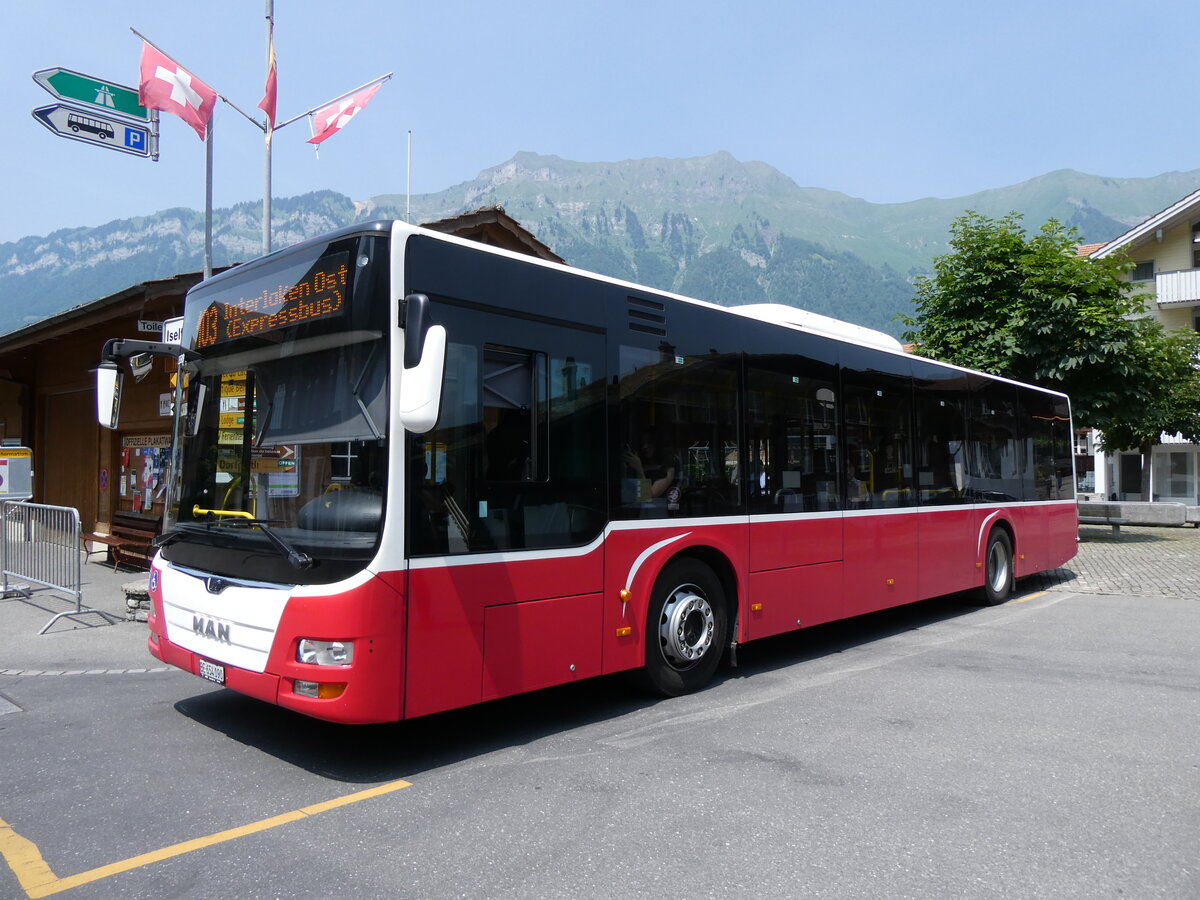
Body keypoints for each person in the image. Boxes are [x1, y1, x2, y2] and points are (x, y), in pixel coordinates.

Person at [623, 429, 677, 501]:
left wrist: (639, 469)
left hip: (657, 509)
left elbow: (647, 496)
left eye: (649, 443)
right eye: (642, 443)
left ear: (657, 444)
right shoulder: (641, 463)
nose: (645, 447)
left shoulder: (668, 468)